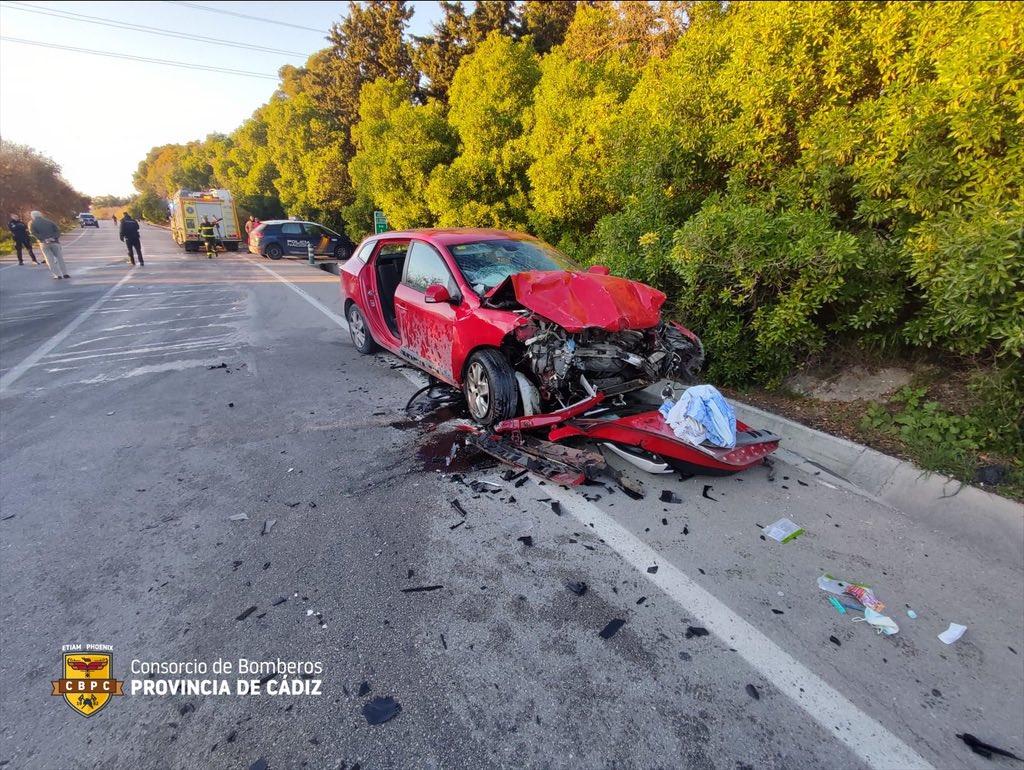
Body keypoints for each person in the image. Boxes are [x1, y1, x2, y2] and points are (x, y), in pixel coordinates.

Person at [28, 210, 69, 279]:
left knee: (49, 259)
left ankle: (57, 274)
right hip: (54, 242)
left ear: (32, 216)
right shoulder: (49, 221)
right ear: (40, 215)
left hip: (44, 242)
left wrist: (43, 238)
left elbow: (33, 233)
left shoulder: (32, 223)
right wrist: (54, 237)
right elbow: (57, 230)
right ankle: (65, 273)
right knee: (60, 258)